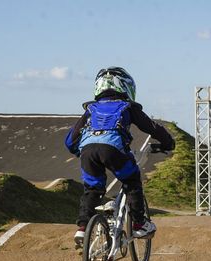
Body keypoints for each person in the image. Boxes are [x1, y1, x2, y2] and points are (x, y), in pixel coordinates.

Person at [65, 67, 174, 246]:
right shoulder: (127, 106)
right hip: (114, 149)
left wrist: (82, 152)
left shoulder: (90, 109)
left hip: (88, 151)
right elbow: (152, 128)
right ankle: (139, 224)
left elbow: (70, 141)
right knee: (131, 181)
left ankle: (83, 228)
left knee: (92, 189)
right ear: (125, 87)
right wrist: (168, 142)